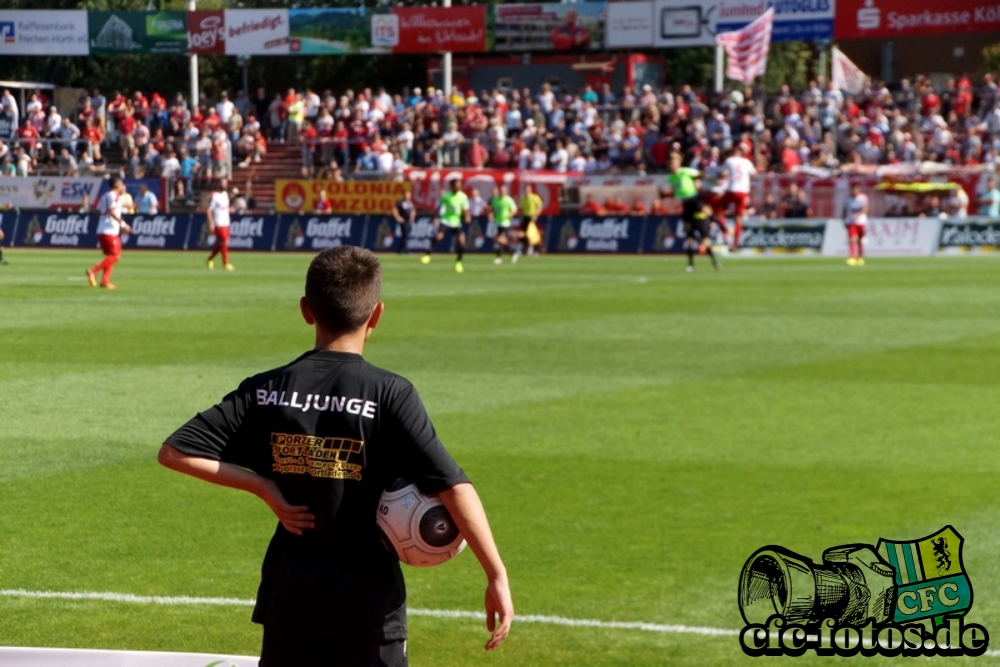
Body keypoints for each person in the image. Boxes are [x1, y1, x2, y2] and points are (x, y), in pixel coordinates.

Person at [158, 246, 513, 667]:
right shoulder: (389, 393)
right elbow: (451, 485)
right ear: (376, 314)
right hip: (368, 607)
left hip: (290, 598)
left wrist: (263, 486)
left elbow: (175, 451)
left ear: (306, 310)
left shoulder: (265, 387)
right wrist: (495, 574)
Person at [665, 153, 719, 272]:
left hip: (693, 199)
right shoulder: (671, 178)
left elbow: (699, 174)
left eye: (673, 162)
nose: (671, 165)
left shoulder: (685, 171)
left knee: (707, 212)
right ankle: (690, 264)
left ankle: (718, 224)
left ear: (679, 163)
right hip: (686, 206)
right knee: (688, 238)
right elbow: (675, 192)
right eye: (670, 162)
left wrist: (709, 180)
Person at [86, 177, 131, 289]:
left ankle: (105, 281)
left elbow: (98, 211)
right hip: (109, 230)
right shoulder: (113, 196)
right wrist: (123, 224)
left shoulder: (105, 196)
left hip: (102, 230)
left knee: (111, 256)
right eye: (121, 184)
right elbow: (111, 211)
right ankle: (93, 271)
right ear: (117, 186)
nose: (123, 186)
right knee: (116, 256)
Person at [421, 178, 470, 273]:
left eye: (459, 185)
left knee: (462, 242)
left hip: (456, 222)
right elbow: (439, 207)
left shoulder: (463, 197)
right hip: (446, 220)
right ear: (451, 186)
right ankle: (427, 254)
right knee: (439, 237)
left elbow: (466, 209)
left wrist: (467, 216)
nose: (459, 187)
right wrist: (435, 217)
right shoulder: (446, 196)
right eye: (456, 185)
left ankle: (458, 262)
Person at [721, 144, 756, 250]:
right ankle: (735, 244)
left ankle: (726, 235)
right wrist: (747, 181)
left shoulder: (729, 161)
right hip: (743, 192)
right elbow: (754, 175)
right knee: (739, 218)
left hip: (732, 190)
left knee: (716, 207)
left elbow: (721, 173)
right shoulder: (747, 162)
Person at [206, 178, 234, 271]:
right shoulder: (214, 195)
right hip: (218, 222)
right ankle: (225, 263)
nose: (225, 185)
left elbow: (224, 207)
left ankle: (210, 259)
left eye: (226, 183)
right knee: (224, 241)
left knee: (224, 243)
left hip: (226, 221)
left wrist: (230, 209)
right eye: (223, 183)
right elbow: (209, 210)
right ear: (218, 184)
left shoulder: (225, 194)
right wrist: (211, 223)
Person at [488, 185, 518, 265]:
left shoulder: (509, 200)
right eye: (501, 191)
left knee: (499, 239)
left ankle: (510, 253)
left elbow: (514, 209)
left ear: (506, 191)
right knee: (499, 241)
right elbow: (493, 210)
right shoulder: (495, 200)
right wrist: (491, 214)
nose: (502, 192)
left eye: (503, 191)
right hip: (497, 222)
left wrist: (510, 215)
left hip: (505, 223)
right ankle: (509, 254)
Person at [844, 183, 869, 267]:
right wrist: (844, 220)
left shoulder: (863, 198)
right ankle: (852, 257)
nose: (854, 191)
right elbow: (844, 210)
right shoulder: (848, 199)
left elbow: (866, 209)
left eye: (856, 189)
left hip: (861, 221)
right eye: (853, 189)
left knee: (860, 240)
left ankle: (860, 257)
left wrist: (858, 214)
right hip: (851, 222)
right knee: (852, 239)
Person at [519, 184, 544, 256]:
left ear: (530, 190)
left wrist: (536, 215)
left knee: (533, 234)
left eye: (528, 189)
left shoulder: (535, 197)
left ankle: (535, 250)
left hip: (532, 217)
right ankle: (524, 249)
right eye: (526, 189)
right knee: (524, 234)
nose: (527, 191)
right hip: (525, 217)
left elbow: (540, 206)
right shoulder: (523, 198)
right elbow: (522, 208)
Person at [391, 190, 416, 254]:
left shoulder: (410, 203)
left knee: (406, 235)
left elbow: (413, 210)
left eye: (408, 195)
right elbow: (394, 209)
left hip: (409, 221)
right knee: (405, 235)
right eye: (406, 194)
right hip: (404, 221)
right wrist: (398, 217)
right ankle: (405, 249)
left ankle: (400, 249)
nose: (407, 196)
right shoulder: (401, 202)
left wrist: (412, 217)